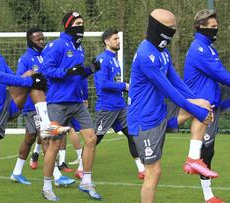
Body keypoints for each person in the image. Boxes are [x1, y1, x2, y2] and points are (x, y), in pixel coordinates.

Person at [0, 15, 70, 203]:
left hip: (7, 104)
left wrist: (31, 79)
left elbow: (11, 76)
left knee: (33, 74)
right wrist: (28, 80)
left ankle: (46, 125)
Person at [128, 9, 216, 203]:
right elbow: (170, 91)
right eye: (170, 28)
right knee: (154, 172)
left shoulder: (162, 52)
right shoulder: (146, 55)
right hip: (145, 121)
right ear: (158, 28)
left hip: (159, 112)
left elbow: (177, 82)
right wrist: (196, 110)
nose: (173, 31)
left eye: (175, 27)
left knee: (206, 104)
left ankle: (193, 158)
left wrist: (197, 102)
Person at [167, 9, 229, 203]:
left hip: (211, 102)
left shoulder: (209, 47)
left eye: (217, 27)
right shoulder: (199, 48)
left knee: (207, 149)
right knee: (205, 149)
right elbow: (220, 74)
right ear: (200, 27)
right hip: (201, 104)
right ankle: (207, 196)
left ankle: (208, 195)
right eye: (212, 27)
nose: (215, 30)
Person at [40, 11, 102, 201]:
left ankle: (86, 182)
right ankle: (47, 186)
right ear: (68, 25)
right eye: (78, 23)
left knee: (91, 139)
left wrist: (89, 71)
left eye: (83, 23)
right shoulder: (57, 45)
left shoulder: (79, 47)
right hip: (58, 102)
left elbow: (78, 75)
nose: (81, 26)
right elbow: (45, 70)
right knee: (54, 144)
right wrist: (66, 71)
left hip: (77, 102)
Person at [10, 27, 74, 186]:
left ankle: (16, 172)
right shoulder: (25, 59)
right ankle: (58, 177)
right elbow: (19, 80)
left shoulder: (46, 56)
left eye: (42, 38)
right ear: (30, 41)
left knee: (30, 138)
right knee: (46, 137)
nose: (42, 41)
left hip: (46, 104)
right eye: (38, 39)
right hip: (32, 106)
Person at [94, 29, 145, 179]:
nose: (118, 41)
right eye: (115, 39)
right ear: (106, 41)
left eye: (118, 38)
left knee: (132, 135)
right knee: (94, 139)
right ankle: (82, 167)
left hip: (120, 106)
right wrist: (124, 86)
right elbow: (103, 84)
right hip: (107, 107)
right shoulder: (102, 60)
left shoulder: (115, 59)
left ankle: (141, 169)